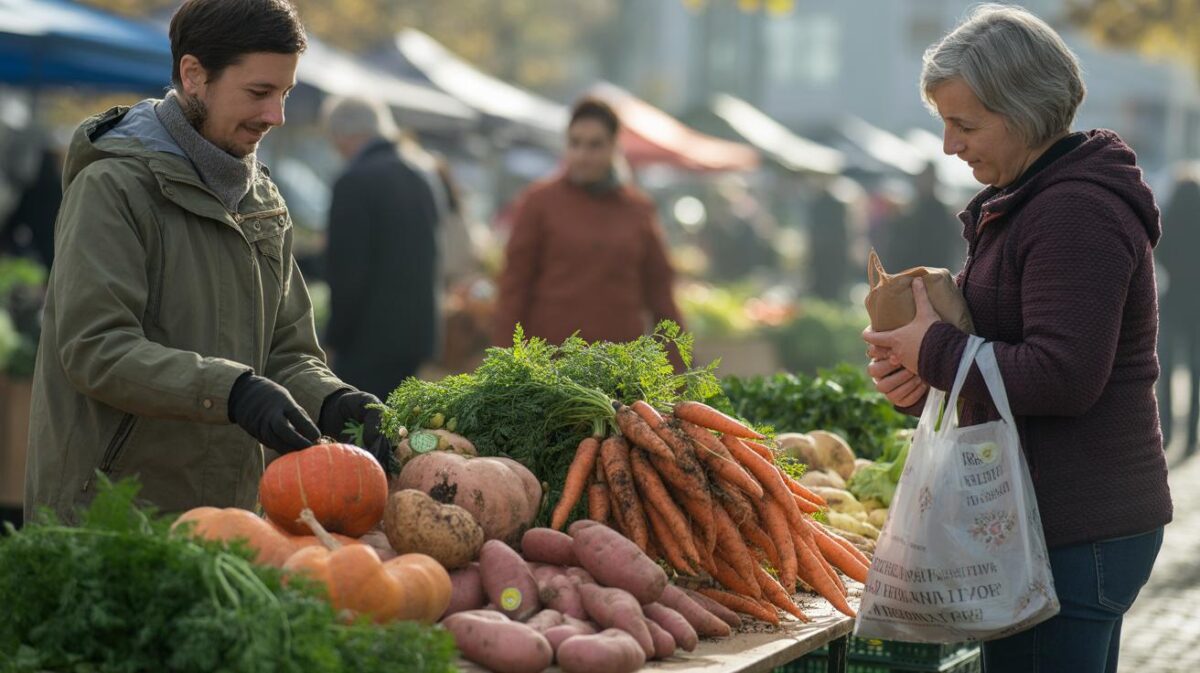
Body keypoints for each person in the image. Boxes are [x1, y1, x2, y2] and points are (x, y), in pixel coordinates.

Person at [861, 6, 1171, 672]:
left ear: (1024, 111)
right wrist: (920, 375)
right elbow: (999, 349)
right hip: (1048, 523)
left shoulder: (1074, 211)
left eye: (965, 125)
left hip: (1072, 528)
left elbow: (1061, 375)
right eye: (945, 123)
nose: (949, 145)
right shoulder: (1030, 199)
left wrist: (933, 352)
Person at [24, 0, 389, 523]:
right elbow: (96, 348)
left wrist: (331, 400)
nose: (276, 116)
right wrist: (232, 391)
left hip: (229, 517)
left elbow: (286, 352)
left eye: (284, 94)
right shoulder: (112, 188)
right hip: (110, 516)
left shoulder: (264, 202)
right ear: (194, 75)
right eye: (259, 92)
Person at [492, 97, 684, 347]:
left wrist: (678, 360)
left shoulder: (637, 210)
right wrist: (506, 357)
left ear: (614, 147)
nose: (582, 155)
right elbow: (514, 287)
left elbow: (660, 293)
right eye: (575, 143)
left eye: (595, 145)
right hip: (552, 360)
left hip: (618, 360)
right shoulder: (539, 202)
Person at [321, 96, 441, 399]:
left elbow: (348, 272)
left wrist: (333, 338)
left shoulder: (354, 181)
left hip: (366, 341)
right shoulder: (418, 175)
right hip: (414, 338)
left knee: (356, 424)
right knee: (398, 424)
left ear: (342, 134)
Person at [1157, 170, 1200, 455]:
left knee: (1167, 368)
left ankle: (1167, 432)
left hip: (1172, 300)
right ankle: (1191, 436)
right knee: (1196, 371)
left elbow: (1159, 252)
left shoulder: (1170, 219)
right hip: (1197, 303)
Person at [884, 162, 964, 272]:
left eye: (927, 179)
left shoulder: (941, 212)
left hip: (933, 271)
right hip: (912, 270)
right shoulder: (911, 210)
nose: (922, 183)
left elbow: (948, 246)